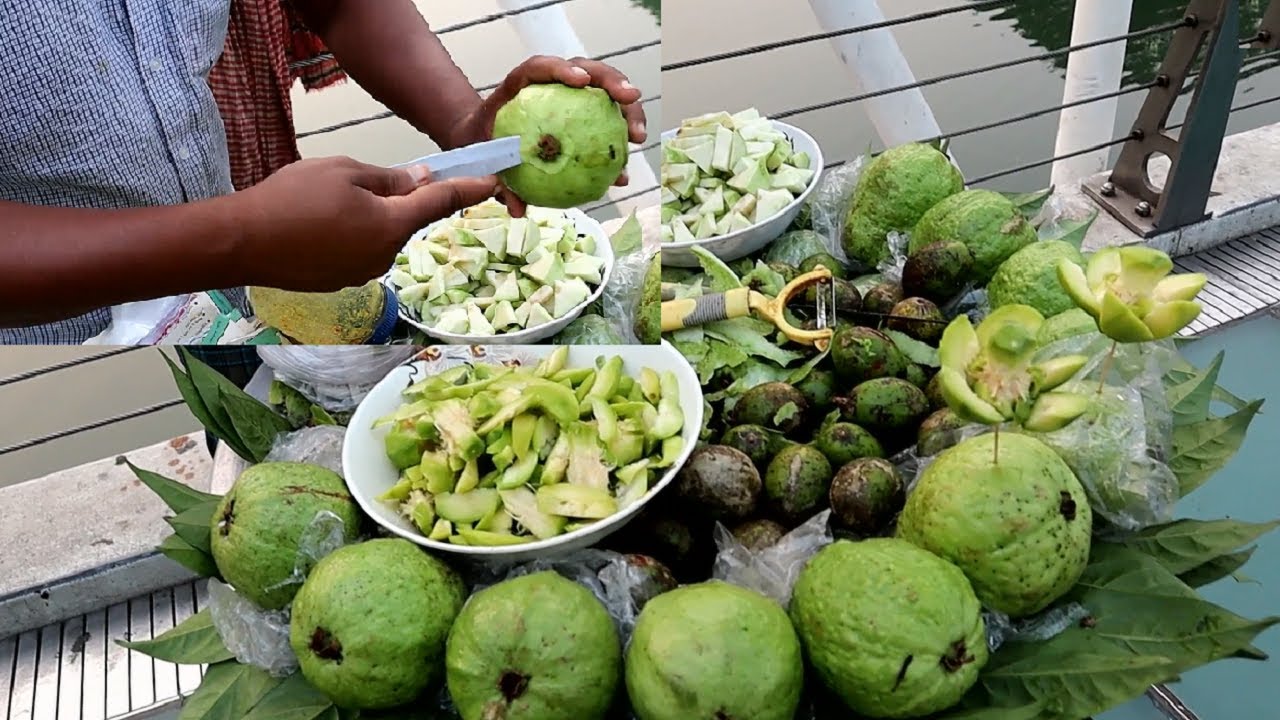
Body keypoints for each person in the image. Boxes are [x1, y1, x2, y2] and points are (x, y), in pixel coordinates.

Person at [0, 0, 648, 344]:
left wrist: (465, 126)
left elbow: (335, 3)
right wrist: (240, 239)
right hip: (61, 323)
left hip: (238, 304)